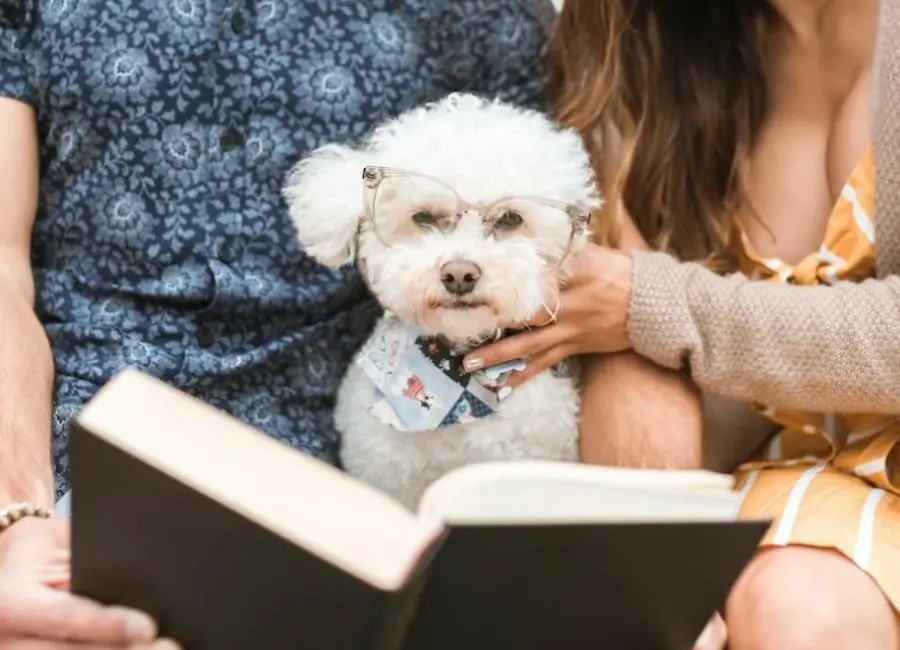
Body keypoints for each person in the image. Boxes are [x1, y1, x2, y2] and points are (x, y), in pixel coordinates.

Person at [0, 0, 554, 646]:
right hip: (82, 450)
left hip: (336, 474)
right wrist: (18, 516)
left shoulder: (490, 14)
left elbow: (548, 230)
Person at [467, 0, 900, 648]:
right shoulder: (653, 47)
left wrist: (655, 303)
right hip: (806, 485)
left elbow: (644, 306)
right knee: (801, 612)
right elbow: (623, 332)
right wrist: (657, 573)